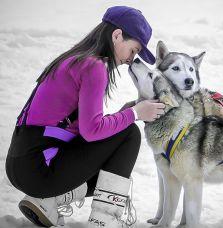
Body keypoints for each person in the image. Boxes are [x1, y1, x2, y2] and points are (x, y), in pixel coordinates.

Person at [5, 5, 165, 228]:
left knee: (120, 133)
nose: (131, 59)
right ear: (117, 35)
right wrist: (134, 114)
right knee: (129, 135)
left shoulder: (75, 58)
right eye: (134, 50)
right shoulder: (94, 66)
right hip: (40, 169)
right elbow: (91, 132)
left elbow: (79, 129)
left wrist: (124, 114)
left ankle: (47, 201)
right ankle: (104, 221)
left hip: (22, 163)